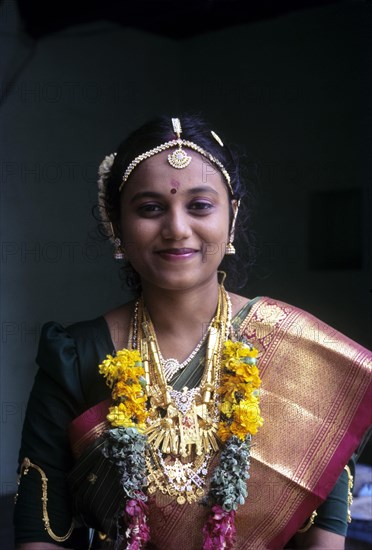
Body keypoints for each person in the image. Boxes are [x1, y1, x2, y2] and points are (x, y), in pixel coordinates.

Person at [14, 115, 371, 550]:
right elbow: (42, 535)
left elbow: (323, 536)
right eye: (150, 208)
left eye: (200, 206)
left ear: (232, 217)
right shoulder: (74, 356)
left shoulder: (298, 352)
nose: (177, 229)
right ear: (116, 223)